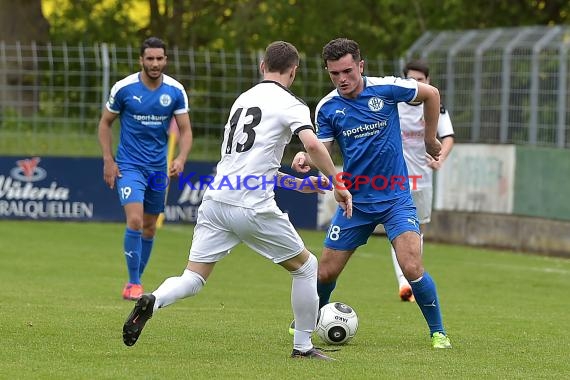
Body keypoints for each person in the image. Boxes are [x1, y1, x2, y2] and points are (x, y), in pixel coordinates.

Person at [122, 41, 353, 360]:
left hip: (216, 200)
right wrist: (336, 182)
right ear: (294, 71)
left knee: (193, 277)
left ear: (262, 67)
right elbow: (313, 145)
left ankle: (153, 299)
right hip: (251, 204)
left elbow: (248, 162)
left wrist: (293, 183)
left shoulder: (243, 100)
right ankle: (302, 346)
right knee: (306, 267)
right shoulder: (291, 104)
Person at [291, 38, 451, 348]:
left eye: (348, 71)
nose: (342, 79)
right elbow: (323, 151)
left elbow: (431, 94)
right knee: (325, 272)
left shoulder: (386, 89)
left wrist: (430, 138)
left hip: (395, 198)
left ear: (361, 66)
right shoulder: (328, 107)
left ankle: (438, 332)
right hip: (356, 202)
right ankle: (309, 321)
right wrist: (306, 157)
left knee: (412, 266)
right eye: (334, 74)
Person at [98, 37, 193, 300]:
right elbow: (105, 123)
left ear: (165, 60)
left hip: (158, 169)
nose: (154, 63)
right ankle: (133, 282)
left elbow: (185, 130)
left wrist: (181, 158)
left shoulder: (175, 91)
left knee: (150, 227)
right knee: (136, 220)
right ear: (141, 59)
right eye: (149, 58)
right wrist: (108, 159)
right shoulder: (124, 88)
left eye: (159, 58)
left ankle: (135, 281)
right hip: (129, 166)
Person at [391, 60, 455, 302]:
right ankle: (404, 281)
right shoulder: (394, 104)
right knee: (398, 228)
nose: (415, 84)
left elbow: (448, 137)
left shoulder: (436, 107)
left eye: (420, 80)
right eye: (411, 80)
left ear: (428, 82)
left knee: (418, 230)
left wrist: (440, 158)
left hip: (423, 179)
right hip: (396, 178)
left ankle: (410, 277)